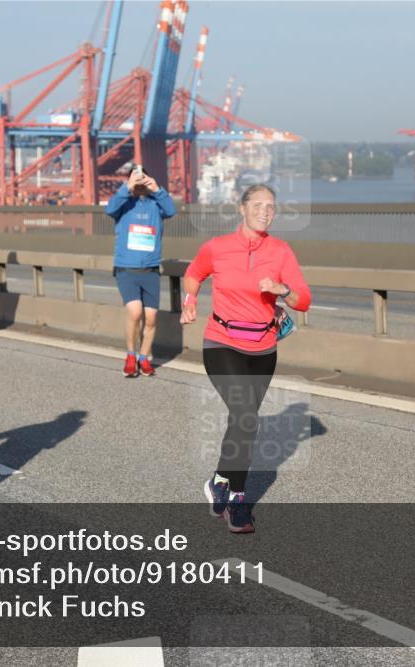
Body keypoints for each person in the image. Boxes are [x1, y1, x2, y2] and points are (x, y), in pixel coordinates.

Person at [180, 184, 310, 533]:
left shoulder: (281, 252)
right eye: (258, 205)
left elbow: (304, 299)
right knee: (246, 417)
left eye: (271, 206)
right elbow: (193, 275)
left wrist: (281, 290)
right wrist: (189, 303)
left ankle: (220, 479)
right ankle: (237, 500)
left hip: (263, 349)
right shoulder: (217, 248)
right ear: (242, 208)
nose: (265, 211)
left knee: (243, 422)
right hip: (221, 343)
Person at [105, 165, 176, 377]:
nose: (140, 183)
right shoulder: (124, 203)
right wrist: (127, 187)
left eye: (142, 179)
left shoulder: (156, 204)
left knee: (151, 318)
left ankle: (144, 359)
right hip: (127, 267)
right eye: (136, 180)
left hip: (151, 269)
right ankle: (130, 355)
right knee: (135, 312)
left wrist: (157, 188)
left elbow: (171, 211)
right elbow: (109, 209)